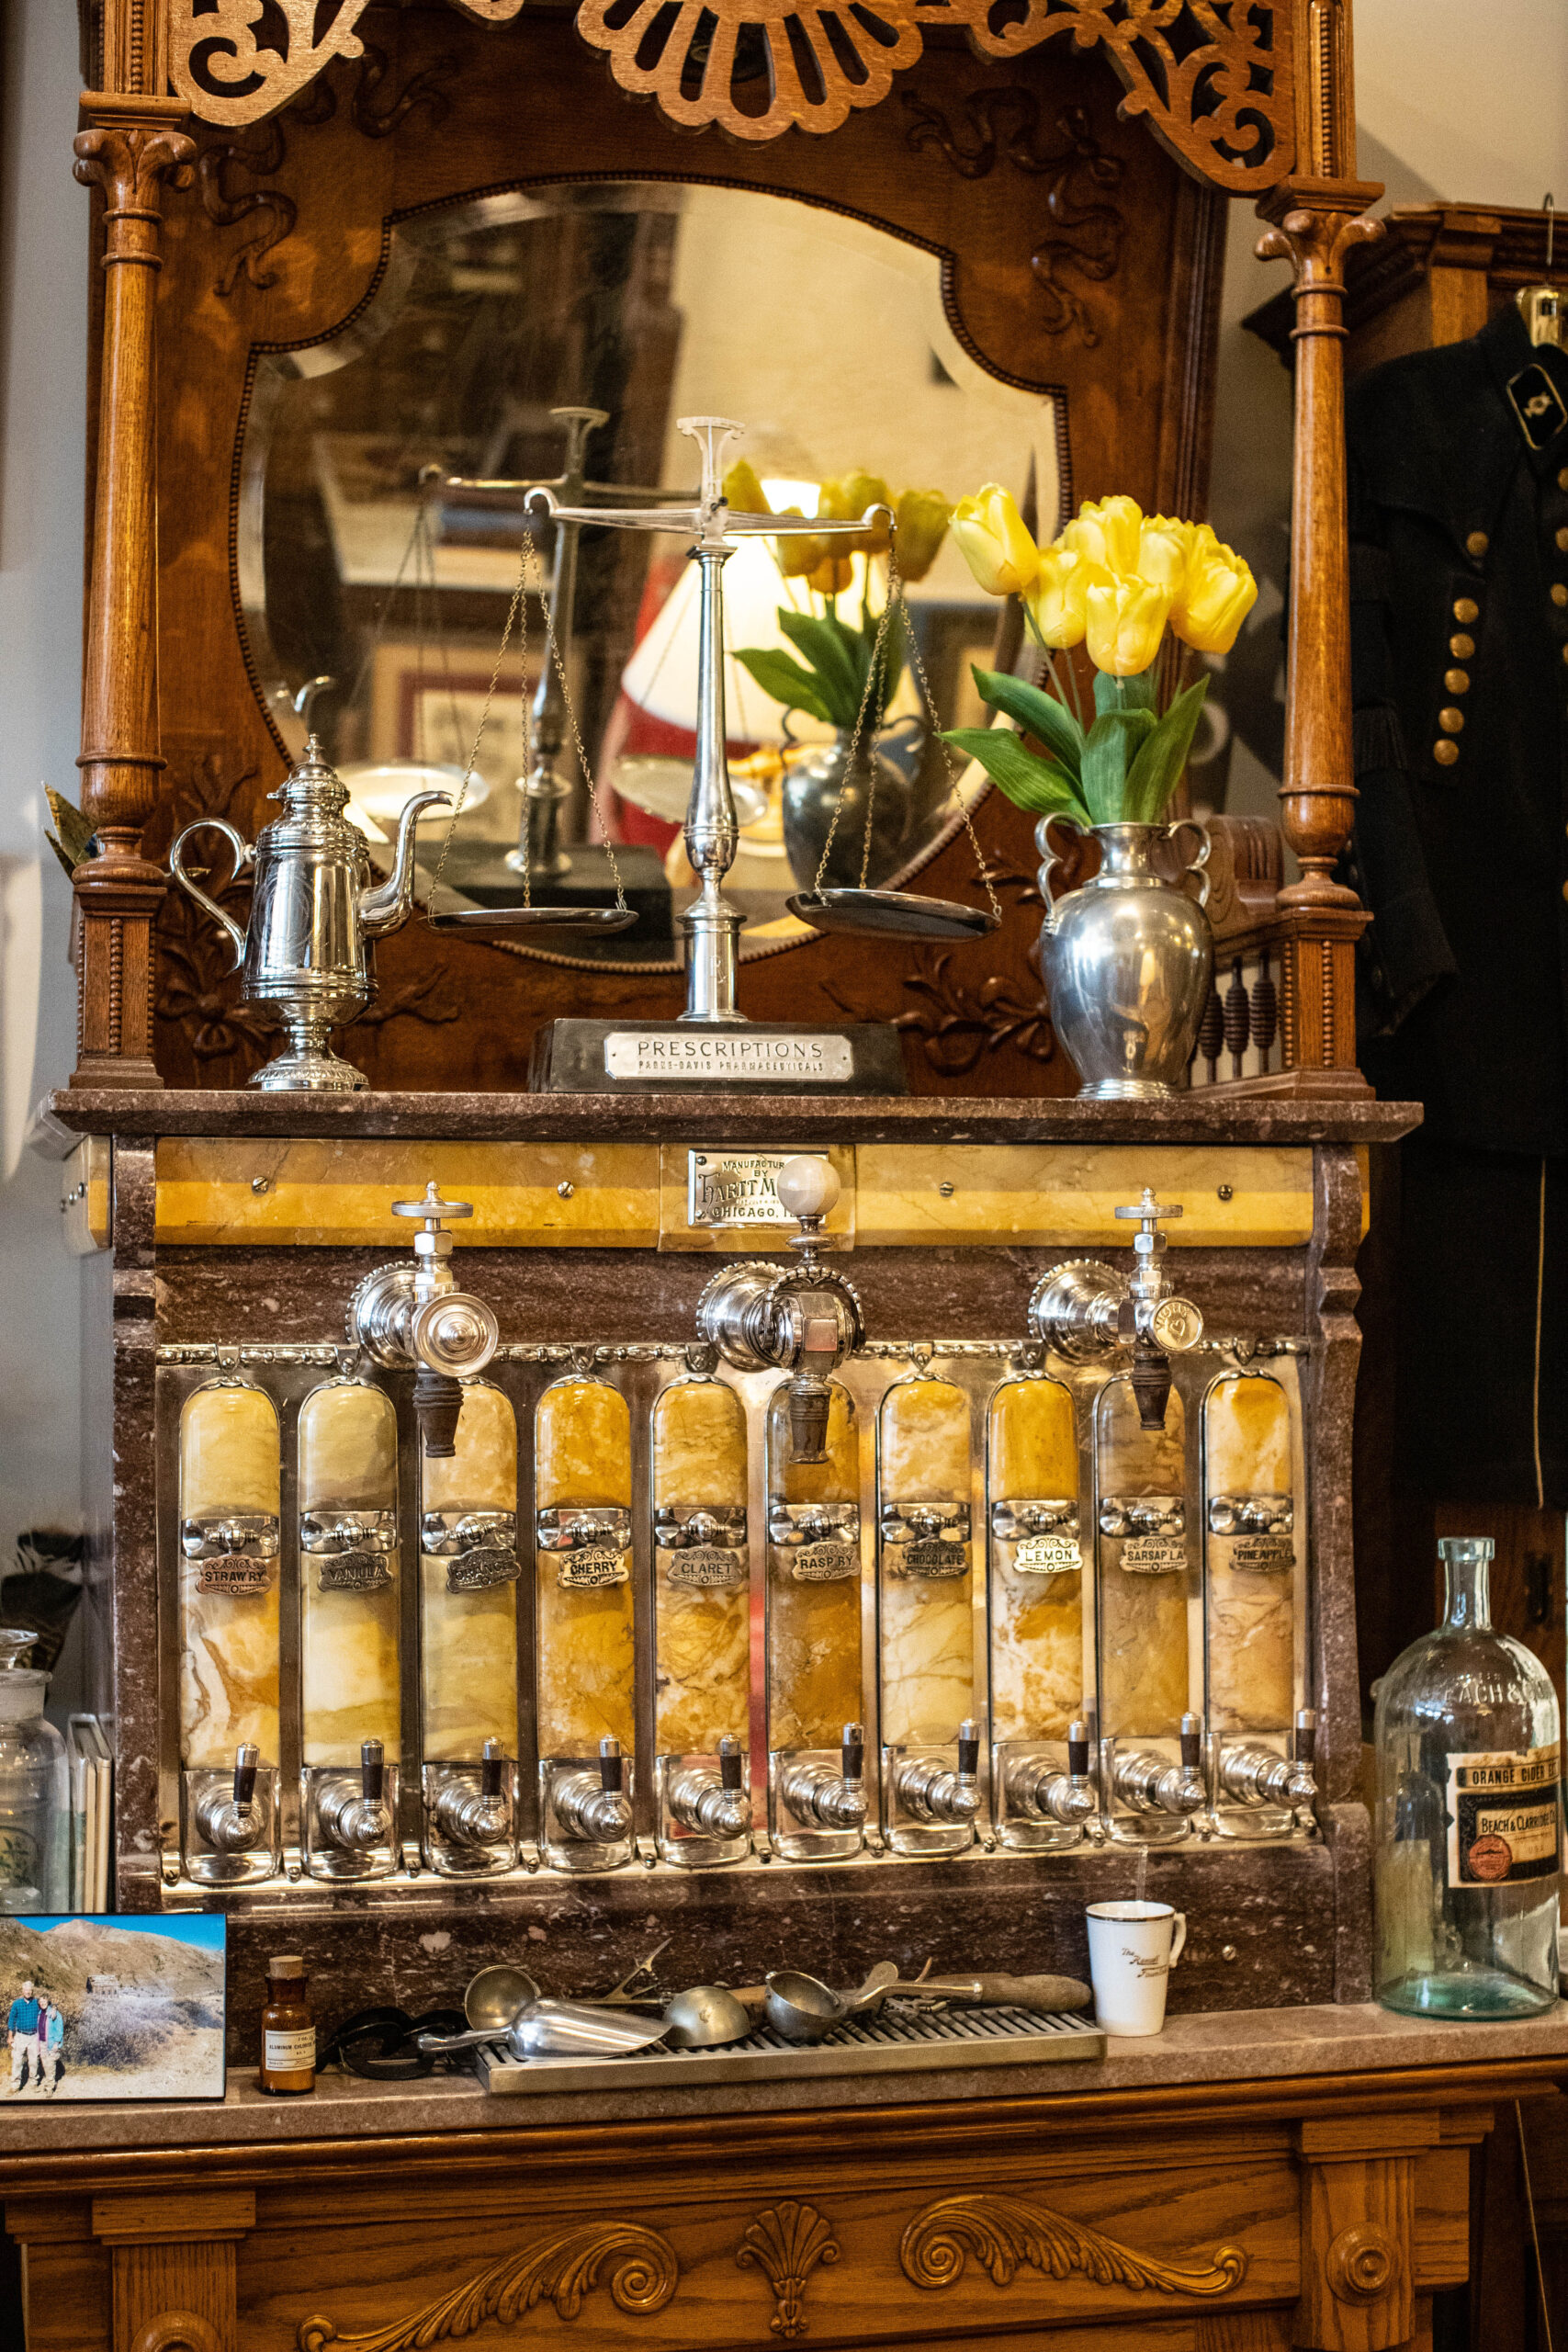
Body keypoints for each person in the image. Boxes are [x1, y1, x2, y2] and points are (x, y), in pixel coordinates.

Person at [6, 1980, 40, 2093]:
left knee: (33, 2061)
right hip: (20, 2035)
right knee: (17, 2060)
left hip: (34, 2036)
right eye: (26, 1990)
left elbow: (47, 2009)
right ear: (22, 1991)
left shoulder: (37, 2003)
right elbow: (12, 2020)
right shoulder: (17, 2003)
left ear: (32, 1991)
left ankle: (33, 2082)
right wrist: (10, 2037)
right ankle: (15, 2085)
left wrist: (54, 2011)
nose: (28, 1992)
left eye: (30, 1990)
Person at [37, 1998, 62, 2095]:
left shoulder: (55, 2013)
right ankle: (49, 2083)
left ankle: (50, 2088)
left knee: (51, 2065)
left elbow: (59, 2029)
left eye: (45, 2001)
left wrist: (57, 2043)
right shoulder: (39, 2013)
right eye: (41, 2001)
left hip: (51, 2043)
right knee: (45, 2065)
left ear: (48, 2002)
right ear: (39, 2003)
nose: (43, 2003)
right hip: (42, 2043)